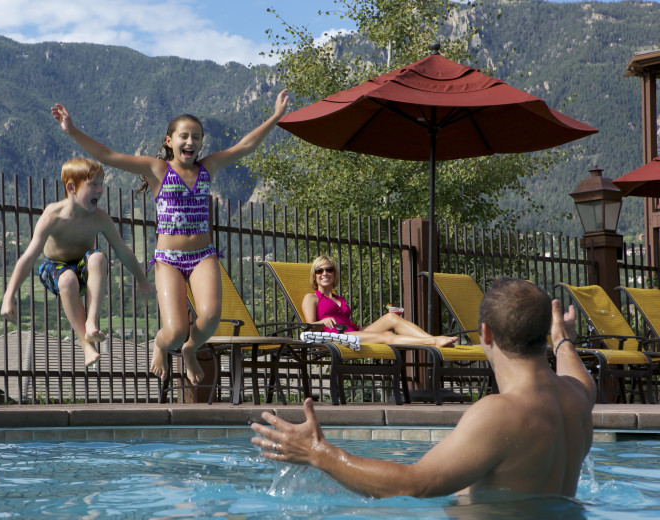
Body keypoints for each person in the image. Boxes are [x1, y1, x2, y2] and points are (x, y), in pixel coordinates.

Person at [252, 277, 597, 500]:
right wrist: (563, 338)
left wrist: (319, 453)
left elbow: (413, 484)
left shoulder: (501, 413)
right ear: (544, 336)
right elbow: (572, 367)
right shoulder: (578, 395)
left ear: (486, 334)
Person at [51, 90, 289, 384]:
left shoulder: (208, 167)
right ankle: (161, 345)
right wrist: (72, 130)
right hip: (169, 259)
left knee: (211, 317)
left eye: (197, 137)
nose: (191, 142)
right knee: (174, 331)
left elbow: (245, 146)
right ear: (169, 141)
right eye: (184, 136)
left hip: (203, 255)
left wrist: (275, 117)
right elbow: (108, 156)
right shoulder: (157, 169)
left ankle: (191, 349)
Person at [1, 157, 153, 367]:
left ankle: (91, 321)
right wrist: (9, 296)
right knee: (67, 281)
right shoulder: (52, 215)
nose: (100, 190)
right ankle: (86, 346)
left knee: (98, 257)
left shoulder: (99, 217)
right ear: (71, 187)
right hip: (54, 267)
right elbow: (28, 257)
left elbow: (123, 251)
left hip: (83, 267)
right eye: (93, 184)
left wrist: (142, 279)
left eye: (101, 184)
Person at [302, 255, 457, 348]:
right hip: (336, 337)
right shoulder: (311, 298)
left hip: (352, 332)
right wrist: (323, 321)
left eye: (329, 270)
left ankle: (431, 339)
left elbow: (349, 324)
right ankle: (433, 342)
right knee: (386, 336)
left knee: (391, 318)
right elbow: (309, 328)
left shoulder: (338, 299)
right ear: (314, 275)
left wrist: (368, 327)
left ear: (334, 274)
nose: (324, 273)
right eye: (319, 270)